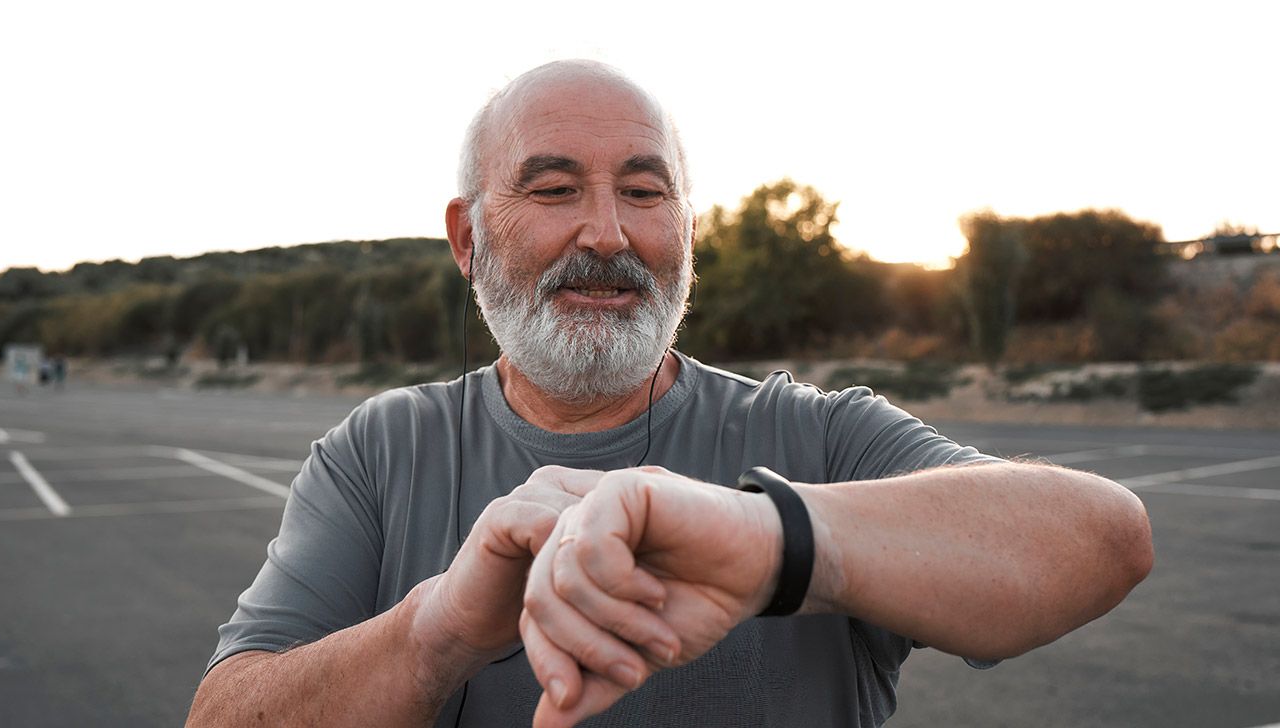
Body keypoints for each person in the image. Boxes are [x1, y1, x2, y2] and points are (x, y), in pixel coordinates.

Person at [186, 60, 1153, 728]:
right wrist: (441, 626)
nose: (607, 232)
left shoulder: (815, 436)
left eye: (646, 192)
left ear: (687, 229)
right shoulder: (380, 451)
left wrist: (769, 540)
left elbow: (1104, 540)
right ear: (468, 237)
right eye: (555, 189)